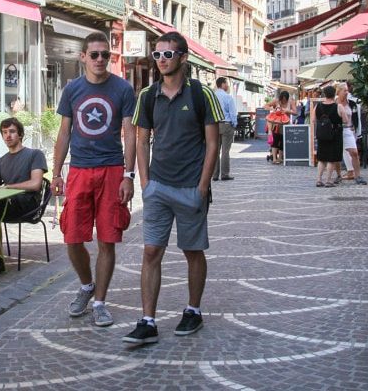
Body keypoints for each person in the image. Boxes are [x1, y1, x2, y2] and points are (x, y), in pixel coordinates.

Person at [125, 31, 222, 345]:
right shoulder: (148, 96)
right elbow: (141, 139)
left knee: (192, 251)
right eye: (157, 55)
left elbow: (213, 142)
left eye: (168, 54)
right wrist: (145, 183)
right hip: (158, 189)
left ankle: (193, 310)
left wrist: (203, 187)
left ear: (183, 57)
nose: (162, 60)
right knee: (151, 251)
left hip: (191, 188)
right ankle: (148, 321)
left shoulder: (200, 94)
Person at [51, 31, 137, 328]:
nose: (101, 60)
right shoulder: (72, 89)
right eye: (95, 54)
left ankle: (100, 302)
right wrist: (56, 171)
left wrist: (129, 174)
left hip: (112, 170)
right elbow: (64, 132)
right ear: (83, 57)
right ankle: (87, 285)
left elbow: (130, 135)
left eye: (106, 55)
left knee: (108, 239)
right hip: (79, 170)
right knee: (72, 237)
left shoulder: (123, 89)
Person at [0, 117, 47, 274]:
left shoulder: (35, 154)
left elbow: (36, 184)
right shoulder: (0, 162)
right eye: (4, 132)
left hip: (28, 204)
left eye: (12, 132)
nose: (8, 136)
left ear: (20, 134)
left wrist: (10, 186)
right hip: (6, 203)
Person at [313, 86, 344, 187]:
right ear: (334, 94)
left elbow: (313, 120)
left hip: (322, 134)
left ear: (324, 94)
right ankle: (328, 181)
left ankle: (318, 180)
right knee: (332, 158)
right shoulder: (338, 106)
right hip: (335, 134)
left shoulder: (318, 106)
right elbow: (346, 120)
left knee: (322, 158)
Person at [337, 84, 367, 185]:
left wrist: (356, 129)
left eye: (347, 91)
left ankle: (357, 176)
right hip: (337, 131)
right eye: (344, 91)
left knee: (354, 152)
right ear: (338, 92)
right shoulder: (334, 103)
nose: (347, 93)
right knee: (336, 155)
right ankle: (338, 175)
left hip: (348, 130)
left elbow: (356, 118)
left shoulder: (352, 104)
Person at [211, 78, 237, 182]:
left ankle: (215, 175)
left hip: (215, 125)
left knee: (215, 151)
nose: (227, 85)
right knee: (225, 151)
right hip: (226, 124)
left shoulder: (212, 96)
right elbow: (232, 113)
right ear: (222, 84)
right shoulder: (228, 97)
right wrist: (234, 124)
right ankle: (225, 174)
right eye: (226, 83)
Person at [266, 91, 293, 164]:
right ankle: (274, 158)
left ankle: (280, 158)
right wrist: (272, 109)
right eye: (282, 99)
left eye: (285, 99)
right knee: (275, 141)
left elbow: (295, 112)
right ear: (280, 98)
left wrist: (287, 111)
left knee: (283, 141)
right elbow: (266, 106)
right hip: (276, 124)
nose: (284, 101)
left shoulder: (290, 102)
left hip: (286, 124)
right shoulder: (276, 101)